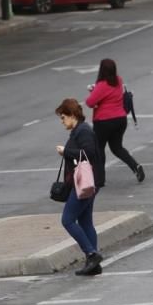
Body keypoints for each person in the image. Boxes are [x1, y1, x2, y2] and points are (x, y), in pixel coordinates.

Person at [55, 98, 106, 276]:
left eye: (63, 118)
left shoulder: (83, 131)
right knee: (85, 221)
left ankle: (91, 253)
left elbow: (89, 153)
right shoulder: (79, 130)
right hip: (89, 182)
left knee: (68, 219)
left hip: (85, 183)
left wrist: (65, 151)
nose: (62, 122)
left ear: (72, 115)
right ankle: (94, 265)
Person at [85, 58, 145, 183]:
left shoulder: (101, 85)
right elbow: (110, 94)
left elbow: (90, 103)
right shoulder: (118, 80)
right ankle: (135, 166)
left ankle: (100, 179)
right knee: (117, 148)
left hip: (103, 121)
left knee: (99, 149)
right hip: (120, 119)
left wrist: (92, 91)